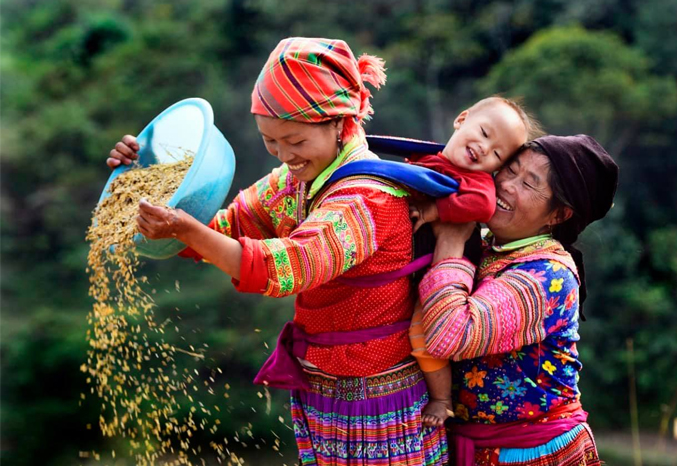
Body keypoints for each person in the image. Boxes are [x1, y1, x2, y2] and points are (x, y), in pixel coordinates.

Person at [108, 37, 448, 465]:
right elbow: (223, 230)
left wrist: (185, 229)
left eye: (296, 141)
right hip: (325, 389)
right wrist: (145, 175)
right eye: (271, 142)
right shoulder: (297, 182)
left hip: (381, 401)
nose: (285, 155)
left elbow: (288, 267)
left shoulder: (366, 199)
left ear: (341, 125)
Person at [418, 135, 618, 465]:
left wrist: (450, 245)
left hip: (533, 452)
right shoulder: (485, 245)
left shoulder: (547, 275)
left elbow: (449, 336)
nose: (507, 185)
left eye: (529, 183)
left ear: (558, 215)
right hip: (473, 445)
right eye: (509, 170)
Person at [405, 97, 541, 428]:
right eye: (482, 133)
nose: (483, 149)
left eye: (496, 154)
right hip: (416, 264)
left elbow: (480, 206)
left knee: (420, 337)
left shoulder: (476, 183)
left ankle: (440, 398)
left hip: (451, 270)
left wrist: (435, 212)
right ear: (461, 118)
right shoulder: (428, 160)